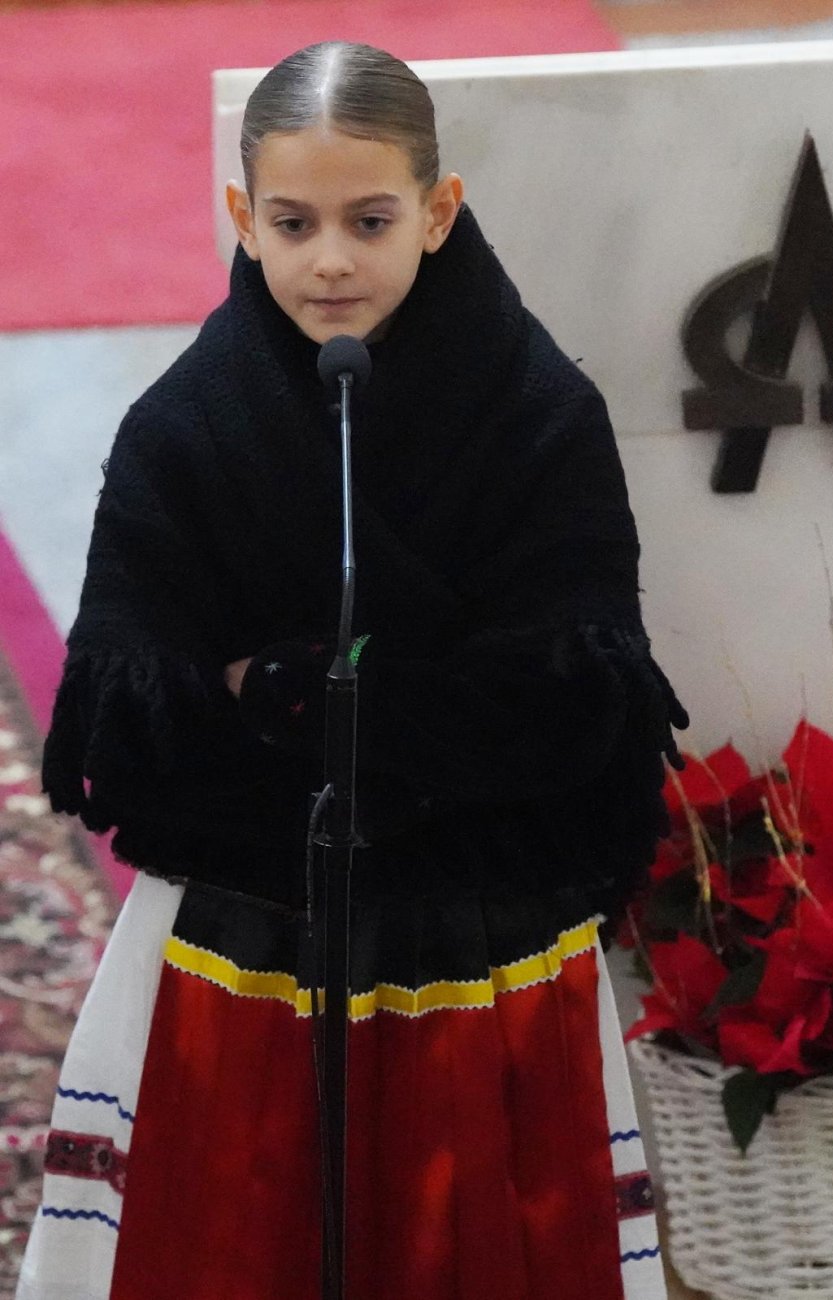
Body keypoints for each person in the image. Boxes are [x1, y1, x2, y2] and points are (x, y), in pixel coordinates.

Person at [17, 40, 688, 1300]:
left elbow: (571, 713)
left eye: (368, 220)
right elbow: (132, 721)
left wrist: (285, 690)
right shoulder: (184, 427)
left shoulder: (541, 414)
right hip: (250, 940)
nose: (329, 258)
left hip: (482, 944)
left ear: (437, 211)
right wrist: (423, 726)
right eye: (294, 222)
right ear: (242, 217)